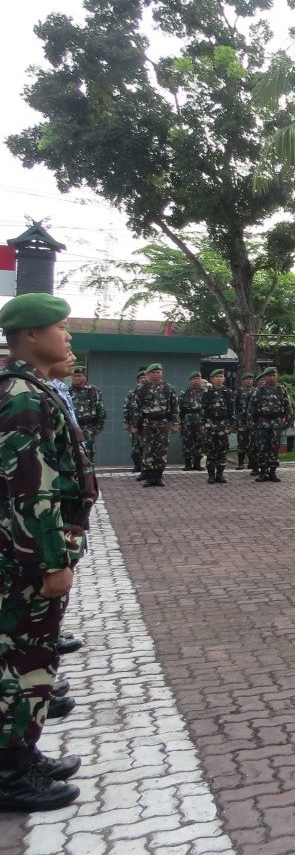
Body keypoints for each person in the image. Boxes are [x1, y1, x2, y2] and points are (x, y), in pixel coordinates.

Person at [0, 292, 98, 810]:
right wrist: (51, 562)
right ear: (31, 335)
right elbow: (28, 490)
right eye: (61, 327)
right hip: (26, 559)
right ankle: (10, 774)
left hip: (25, 555)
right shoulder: (22, 396)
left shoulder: (29, 388)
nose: (68, 335)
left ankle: (21, 755)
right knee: (22, 659)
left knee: (27, 656)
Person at [131, 363, 180, 487]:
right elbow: (136, 408)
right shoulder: (141, 389)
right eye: (153, 372)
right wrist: (135, 425)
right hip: (147, 423)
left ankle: (158, 476)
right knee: (148, 450)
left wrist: (176, 423)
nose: (156, 375)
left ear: (162, 373)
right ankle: (149, 477)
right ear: (148, 374)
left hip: (163, 423)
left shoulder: (169, 388)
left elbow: (175, 407)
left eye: (158, 372)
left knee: (162, 450)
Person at [248, 367, 290, 482]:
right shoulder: (259, 390)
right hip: (262, 423)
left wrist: (286, 421)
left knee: (274, 448)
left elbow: (287, 406)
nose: (272, 378)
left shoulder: (281, 390)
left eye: (274, 376)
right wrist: (252, 423)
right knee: (262, 448)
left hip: (276, 423)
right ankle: (262, 472)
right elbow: (251, 408)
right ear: (265, 377)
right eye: (269, 376)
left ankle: (272, 472)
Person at [200, 369, 239, 483]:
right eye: (217, 377)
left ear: (224, 379)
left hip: (223, 425)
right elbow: (202, 410)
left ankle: (220, 474)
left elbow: (232, 410)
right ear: (212, 379)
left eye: (221, 377)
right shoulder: (206, 393)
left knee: (223, 450)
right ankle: (211, 475)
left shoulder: (229, 392)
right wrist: (202, 425)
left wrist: (232, 425)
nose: (219, 379)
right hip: (210, 425)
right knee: (210, 450)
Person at [67, 365, 105, 462]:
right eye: (74, 376)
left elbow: (100, 408)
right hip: (72, 427)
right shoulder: (68, 391)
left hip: (88, 427)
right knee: (73, 453)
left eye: (79, 376)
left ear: (84, 376)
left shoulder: (93, 390)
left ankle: (89, 470)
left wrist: (99, 426)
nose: (76, 378)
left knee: (88, 453)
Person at [122, 367, 148, 477]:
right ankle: (137, 466)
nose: (143, 379)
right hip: (135, 424)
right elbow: (126, 407)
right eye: (141, 378)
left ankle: (146, 468)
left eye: (145, 377)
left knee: (147, 447)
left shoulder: (151, 391)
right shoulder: (132, 393)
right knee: (136, 446)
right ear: (137, 380)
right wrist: (126, 422)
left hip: (148, 424)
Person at [235, 371, 256, 471]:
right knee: (242, 442)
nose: (249, 381)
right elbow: (234, 407)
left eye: (250, 379)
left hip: (253, 421)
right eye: (247, 379)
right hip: (241, 421)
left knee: (252, 442)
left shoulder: (256, 392)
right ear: (242, 381)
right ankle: (241, 463)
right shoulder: (238, 392)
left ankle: (251, 463)